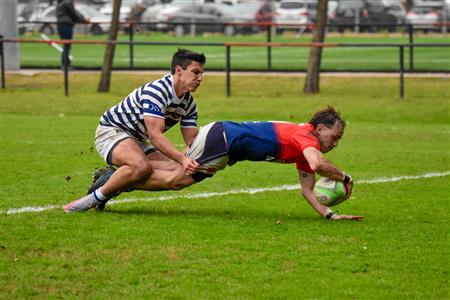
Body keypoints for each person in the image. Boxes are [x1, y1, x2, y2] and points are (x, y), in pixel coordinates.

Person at [65, 106, 363, 221]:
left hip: (226, 143)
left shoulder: (304, 146)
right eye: (335, 136)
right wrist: (346, 177)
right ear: (320, 127)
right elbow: (320, 163)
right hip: (224, 137)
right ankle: (112, 183)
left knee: (176, 176)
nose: (335, 142)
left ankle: (116, 179)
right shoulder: (306, 137)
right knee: (178, 179)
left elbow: (308, 190)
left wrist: (330, 215)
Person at [64, 48, 206, 213]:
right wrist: (183, 158)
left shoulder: (189, 104)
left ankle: (114, 180)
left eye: (202, 73)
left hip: (137, 140)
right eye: (195, 72)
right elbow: (155, 136)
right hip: (112, 131)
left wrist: (214, 154)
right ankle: (91, 200)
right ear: (179, 71)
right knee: (141, 167)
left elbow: (192, 141)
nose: (200, 78)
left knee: (175, 172)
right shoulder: (158, 91)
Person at [56, 0, 89, 68]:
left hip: (61, 25)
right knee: (67, 45)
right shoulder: (67, 2)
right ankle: (65, 65)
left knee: (66, 45)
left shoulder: (60, 3)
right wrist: (83, 20)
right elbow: (73, 14)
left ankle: (65, 64)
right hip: (66, 25)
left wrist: (81, 18)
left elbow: (74, 12)